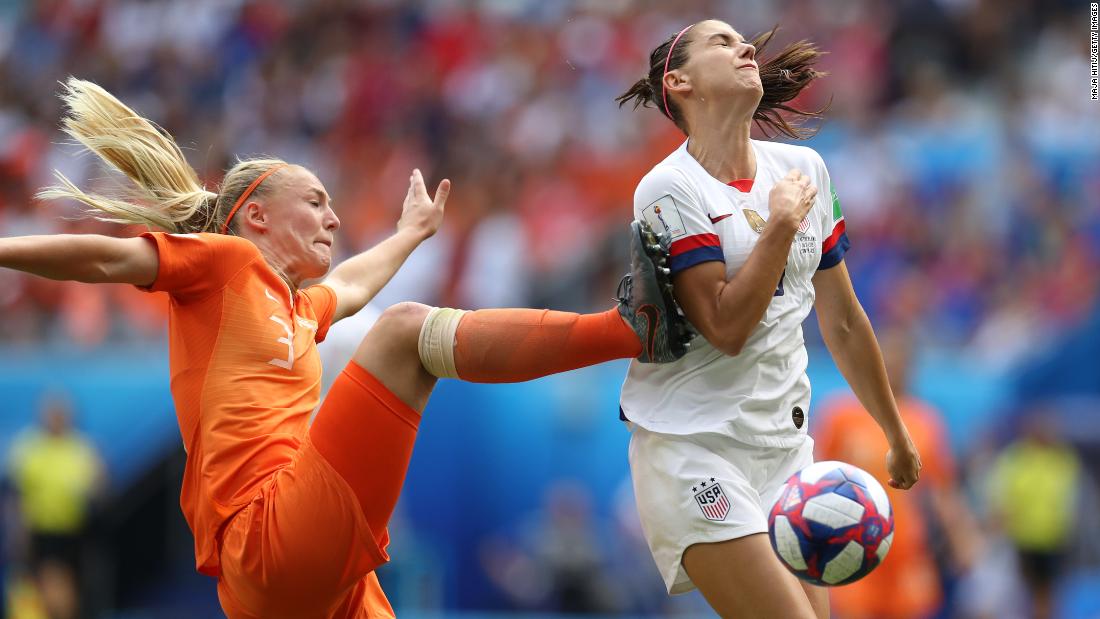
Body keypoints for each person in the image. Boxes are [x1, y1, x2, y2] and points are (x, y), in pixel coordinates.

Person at [1, 78, 690, 619]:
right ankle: (630, 331)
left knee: (387, 322)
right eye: (316, 200)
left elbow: (354, 282)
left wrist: (411, 232)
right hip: (268, 535)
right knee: (403, 333)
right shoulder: (225, 265)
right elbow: (103, 259)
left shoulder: (299, 307)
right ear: (258, 214)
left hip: (292, 579)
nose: (333, 216)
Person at [614, 20, 923, 618]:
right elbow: (725, 329)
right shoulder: (667, 187)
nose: (746, 47)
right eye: (721, 43)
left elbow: (844, 321)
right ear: (677, 82)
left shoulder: (804, 169)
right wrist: (780, 225)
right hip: (694, 450)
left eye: (742, 40)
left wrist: (895, 430)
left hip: (784, 454)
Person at [815, 329, 982, 618]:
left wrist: (962, 539)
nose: (893, 371)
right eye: (885, 363)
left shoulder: (925, 421)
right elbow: (818, 480)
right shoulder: (841, 416)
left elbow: (944, 489)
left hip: (906, 550)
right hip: (855, 549)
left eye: (900, 363)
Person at [8, 393, 105, 619]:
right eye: (52, 413)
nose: (57, 418)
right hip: (41, 531)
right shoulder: (29, 448)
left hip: (74, 531)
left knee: (68, 588)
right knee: (49, 586)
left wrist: (95, 487)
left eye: (61, 413)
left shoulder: (81, 448)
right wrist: (18, 529)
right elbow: (16, 494)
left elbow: (99, 486)